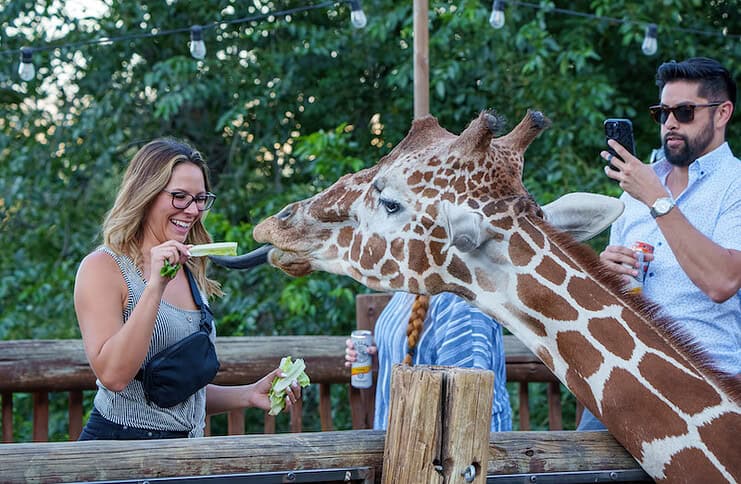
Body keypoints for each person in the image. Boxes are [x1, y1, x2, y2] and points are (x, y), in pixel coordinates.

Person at [74, 138, 301, 440]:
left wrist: (248, 394)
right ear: (146, 194)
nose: (193, 210)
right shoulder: (103, 268)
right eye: (180, 197)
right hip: (120, 450)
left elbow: (175, 394)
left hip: (185, 454)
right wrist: (155, 287)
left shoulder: (190, 267)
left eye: (200, 198)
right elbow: (114, 375)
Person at [580, 57, 740, 431]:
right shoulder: (639, 184)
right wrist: (607, 272)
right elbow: (619, 294)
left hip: (704, 382)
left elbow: (722, 282)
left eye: (684, 111)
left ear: (722, 114)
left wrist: (657, 200)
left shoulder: (733, 185)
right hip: (628, 372)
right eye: (662, 112)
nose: (669, 122)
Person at [345, 292, 512, 431]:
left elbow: (466, 398)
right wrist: (381, 356)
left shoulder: (459, 297)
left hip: (445, 455)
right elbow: (414, 352)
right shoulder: (409, 285)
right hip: (402, 443)